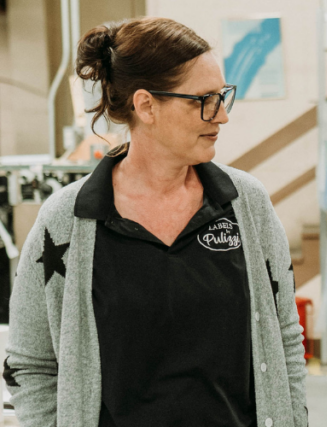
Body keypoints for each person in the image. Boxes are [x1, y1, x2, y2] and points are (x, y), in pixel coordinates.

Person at [3, 17, 308, 427]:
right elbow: (30, 362)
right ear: (146, 105)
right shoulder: (67, 220)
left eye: (222, 96)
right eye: (203, 100)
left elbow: (285, 339)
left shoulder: (245, 204)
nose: (221, 116)